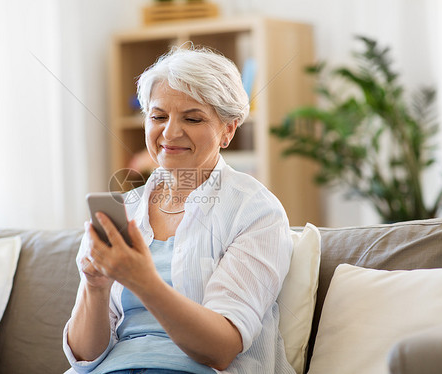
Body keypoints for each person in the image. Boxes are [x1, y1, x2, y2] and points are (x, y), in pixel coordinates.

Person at [63, 46, 295, 374]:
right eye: (158, 116)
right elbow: (85, 356)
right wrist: (94, 286)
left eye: (192, 118)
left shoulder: (255, 211)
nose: (170, 132)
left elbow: (220, 349)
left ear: (227, 130)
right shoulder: (125, 209)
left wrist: (143, 280)